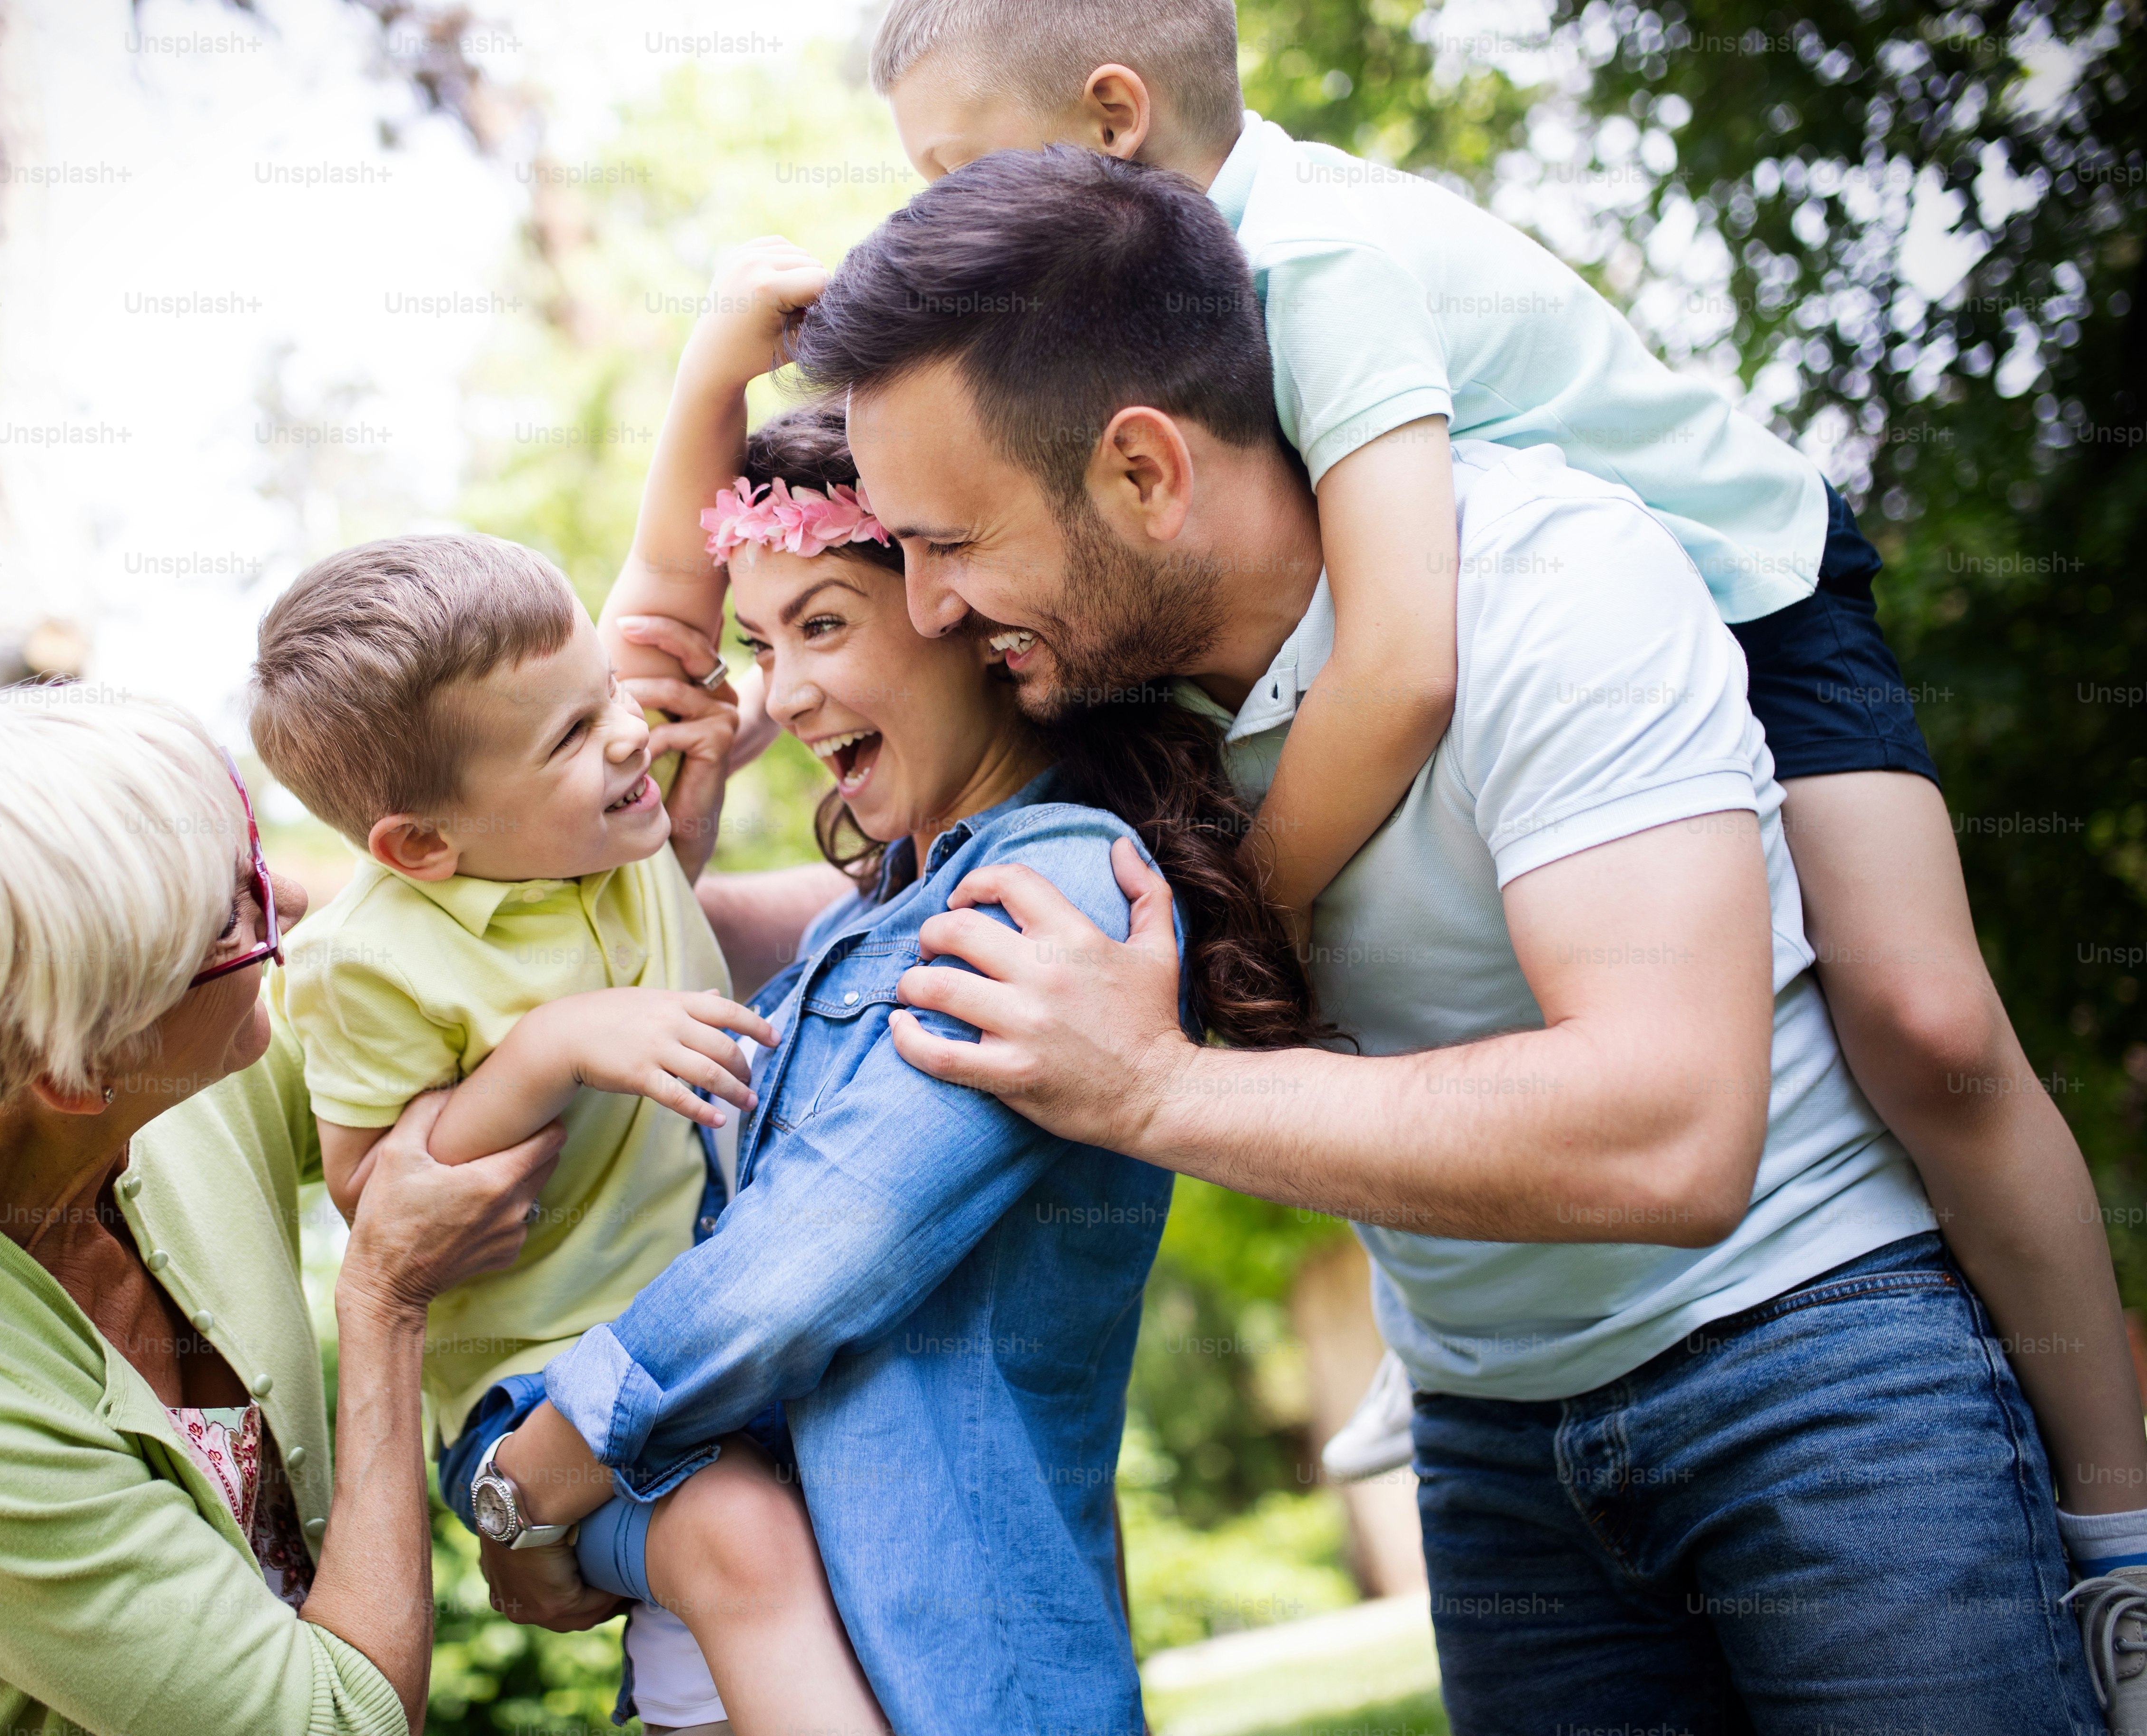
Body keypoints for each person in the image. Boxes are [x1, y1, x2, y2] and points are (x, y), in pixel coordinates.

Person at [793, 145, 2104, 1727]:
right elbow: (846, 935)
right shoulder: (1089, 693)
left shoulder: (1548, 580)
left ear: (1144, 472)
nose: (926, 605)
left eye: (949, 540)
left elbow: (1671, 1132)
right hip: (1492, 1448)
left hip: (1812, 1376)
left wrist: (1152, 1089)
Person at [463, 297, 1322, 1734]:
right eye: (761, 645)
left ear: (955, 615)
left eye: (823, 625)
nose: (784, 693)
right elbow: (622, 938)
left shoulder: (1053, 889)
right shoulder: (878, 915)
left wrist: (534, 1472)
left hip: (949, 1681)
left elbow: (816, 1246)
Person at [0, 691, 559, 1735]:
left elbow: (483, 1015)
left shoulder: (172, 1077)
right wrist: (386, 1298)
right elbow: (343, 1723)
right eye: (234, 916)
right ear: (87, 1068)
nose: (295, 907)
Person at [246, 534, 881, 1734]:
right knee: (739, 1546)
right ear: (422, 845)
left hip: (722, 1321)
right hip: (542, 1385)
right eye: (573, 737)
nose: (627, 736)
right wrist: (548, 1047)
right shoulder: (370, 960)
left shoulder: (611, 816)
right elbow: (377, 1193)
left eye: (605, 698)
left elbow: (677, 593)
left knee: (766, 1583)